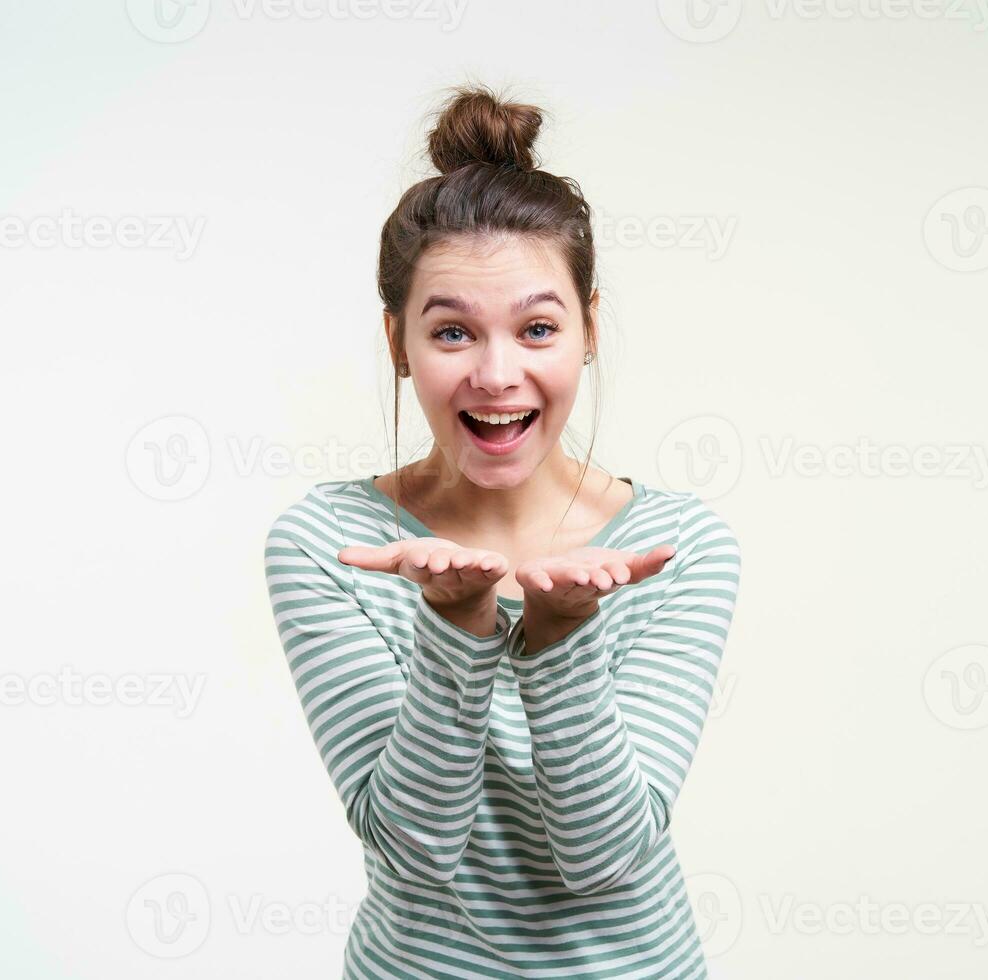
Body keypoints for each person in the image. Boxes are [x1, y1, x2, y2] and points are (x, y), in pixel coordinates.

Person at [264, 81, 742, 979]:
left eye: (537, 328)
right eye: (451, 332)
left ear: (589, 330)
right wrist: (453, 626)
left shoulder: (679, 548)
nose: (496, 373)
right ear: (398, 343)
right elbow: (415, 856)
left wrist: (559, 640)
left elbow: (602, 860)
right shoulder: (328, 544)